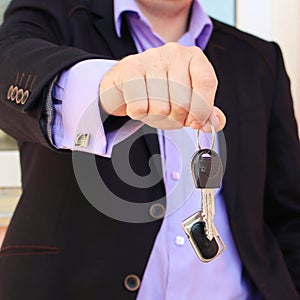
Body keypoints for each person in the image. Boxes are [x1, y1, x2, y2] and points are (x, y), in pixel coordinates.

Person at [0, 0, 299, 299]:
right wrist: (105, 89)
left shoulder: (259, 58)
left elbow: (288, 214)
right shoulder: (54, 15)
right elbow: (8, 65)